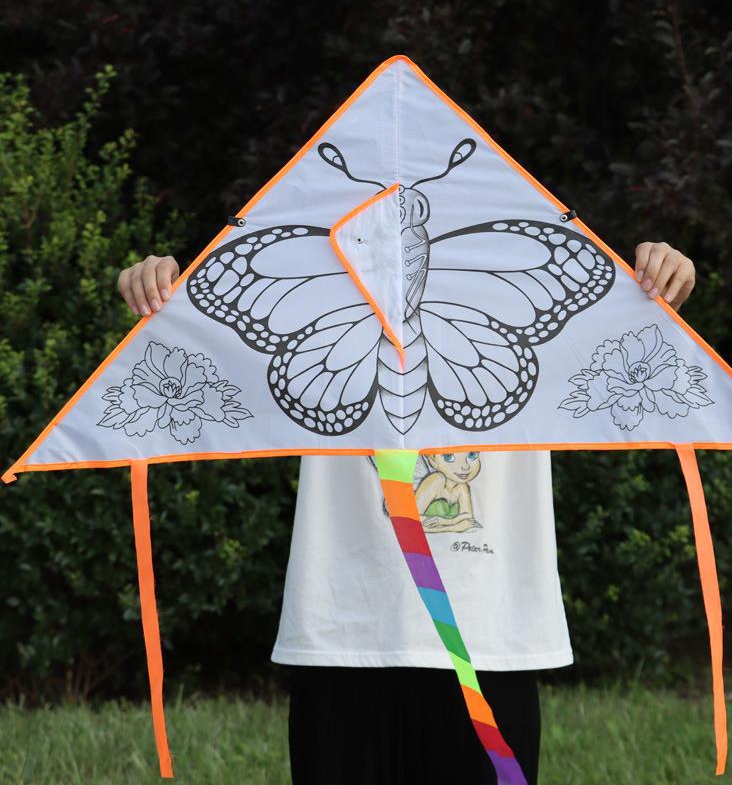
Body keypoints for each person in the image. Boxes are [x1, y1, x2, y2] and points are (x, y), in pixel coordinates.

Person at [118, 241, 696, 784]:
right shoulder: (323, 254)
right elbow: (213, 358)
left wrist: (658, 280)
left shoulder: (529, 256)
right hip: (343, 633)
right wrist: (168, 295)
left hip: (490, 635)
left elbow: (634, 351)